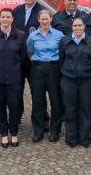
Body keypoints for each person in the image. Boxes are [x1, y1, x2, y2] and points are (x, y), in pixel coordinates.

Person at [0, 9, 27, 148]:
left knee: (14, 106)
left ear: (12, 18)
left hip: (14, 78)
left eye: (8, 17)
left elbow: (22, 56)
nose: (5, 19)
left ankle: (13, 133)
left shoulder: (20, 35)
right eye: (3, 17)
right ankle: (3, 134)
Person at [59, 18, 91, 147]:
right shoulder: (64, 40)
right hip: (68, 79)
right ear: (72, 27)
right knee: (70, 108)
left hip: (87, 80)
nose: (77, 28)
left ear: (84, 26)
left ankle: (85, 137)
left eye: (80, 25)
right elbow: (61, 59)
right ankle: (71, 137)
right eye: (75, 25)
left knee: (85, 108)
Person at [27, 10, 64, 142]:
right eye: (42, 19)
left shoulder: (59, 35)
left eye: (47, 19)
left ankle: (55, 130)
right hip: (37, 69)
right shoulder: (32, 36)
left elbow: (63, 51)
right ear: (38, 19)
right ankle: (38, 130)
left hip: (54, 69)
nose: (44, 21)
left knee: (55, 100)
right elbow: (30, 52)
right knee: (38, 101)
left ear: (51, 19)